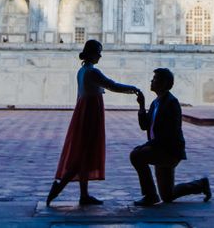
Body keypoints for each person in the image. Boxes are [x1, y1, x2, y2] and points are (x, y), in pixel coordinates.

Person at [46, 39, 142, 206]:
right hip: (90, 113)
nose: (100, 55)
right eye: (98, 52)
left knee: (85, 154)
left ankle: (84, 195)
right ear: (91, 53)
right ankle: (58, 187)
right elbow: (112, 85)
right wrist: (132, 89)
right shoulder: (92, 72)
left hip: (84, 111)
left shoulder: (82, 71)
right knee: (83, 153)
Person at [130, 68, 212, 206]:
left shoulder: (171, 103)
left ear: (164, 83)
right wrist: (141, 105)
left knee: (136, 155)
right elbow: (144, 126)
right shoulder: (156, 102)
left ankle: (150, 196)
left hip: (169, 151)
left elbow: (168, 134)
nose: (152, 81)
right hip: (161, 148)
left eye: (155, 78)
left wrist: (146, 146)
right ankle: (200, 185)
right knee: (168, 196)